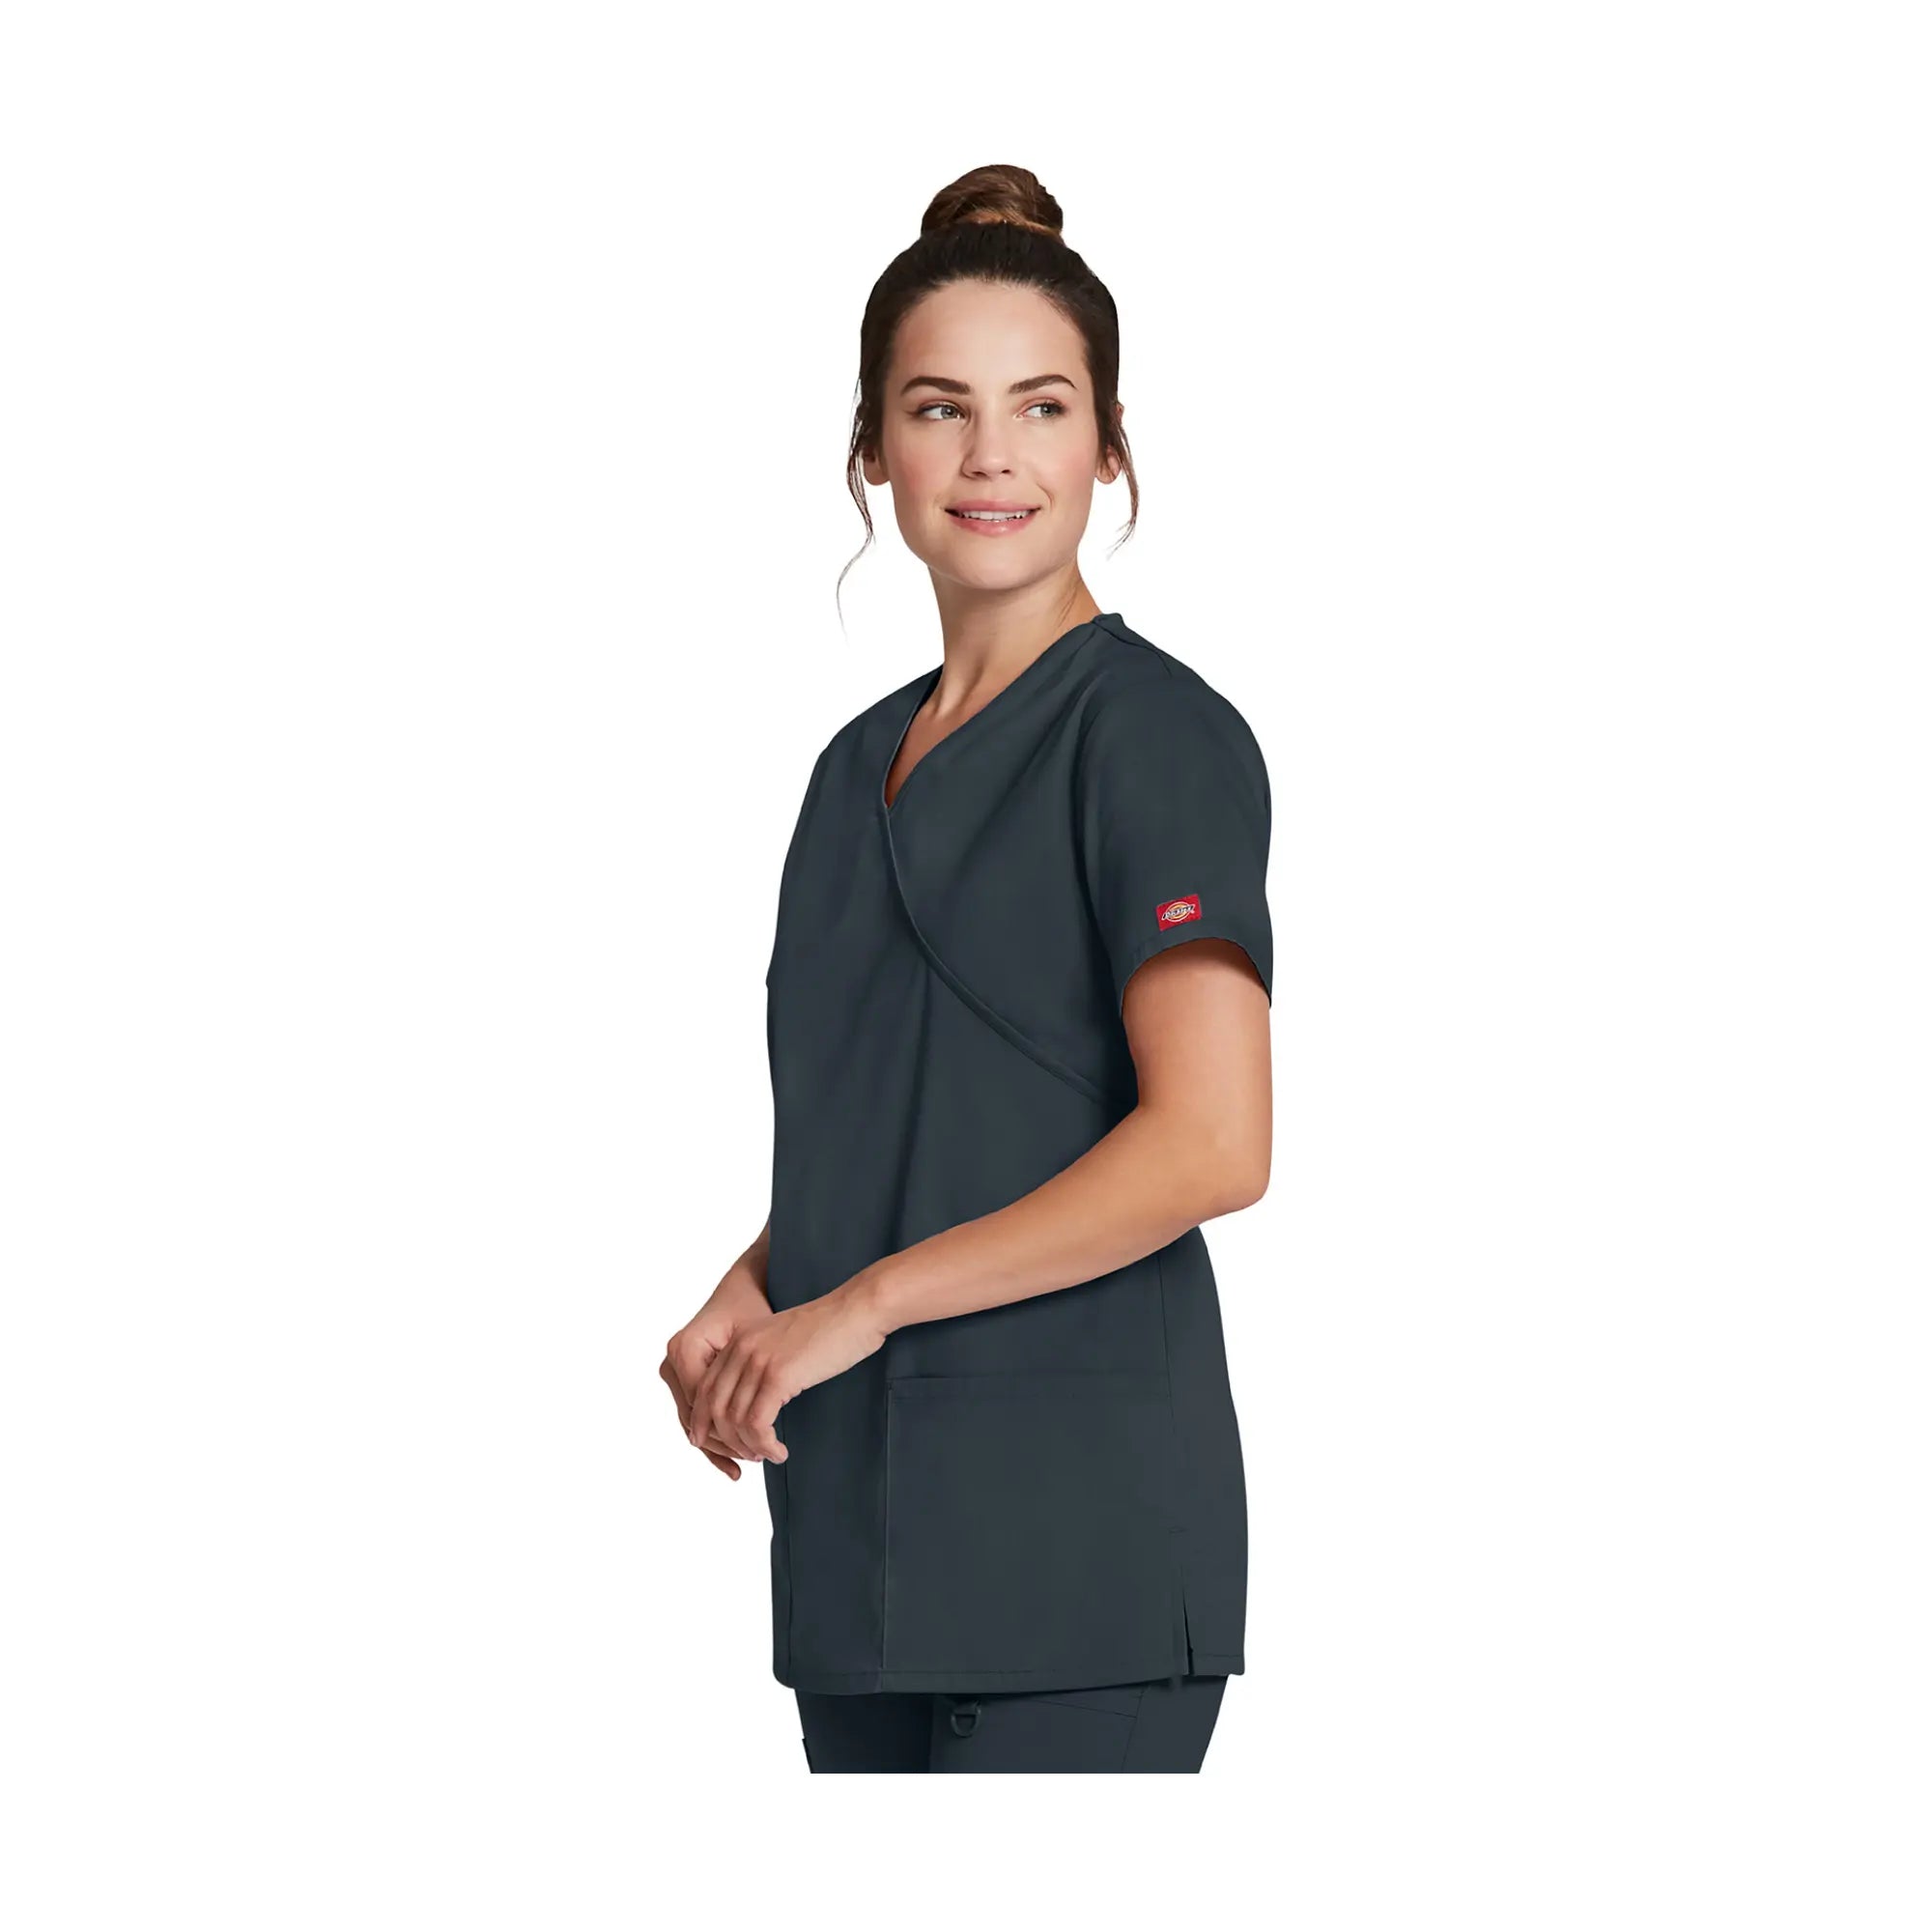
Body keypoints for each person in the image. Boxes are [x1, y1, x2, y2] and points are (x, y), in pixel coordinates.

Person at [660, 164, 1273, 1773]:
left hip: (1080, 1550)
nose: (992, 455)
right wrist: (761, 1289)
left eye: (1043, 407)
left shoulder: (1152, 739)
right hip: (857, 1534)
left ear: (1108, 443)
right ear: (873, 446)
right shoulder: (846, 772)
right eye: (940, 408)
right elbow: (926, 1117)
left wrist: (855, 1307)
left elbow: (1214, 1142)